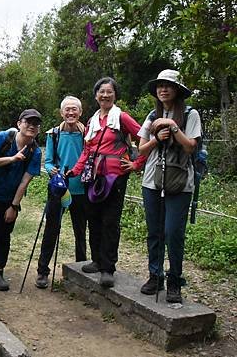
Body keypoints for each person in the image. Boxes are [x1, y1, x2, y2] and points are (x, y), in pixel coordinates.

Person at [68, 77, 144, 287]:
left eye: (109, 92)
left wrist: (137, 164)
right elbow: (87, 150)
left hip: (116, 178)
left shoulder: (122, 118)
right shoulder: (93, 121)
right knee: (94, 218)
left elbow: (144, 138)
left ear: (115, 95)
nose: (105, 95)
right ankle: (97, 260)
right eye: (101, 91)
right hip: (93, 177)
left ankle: (108, 268)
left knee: (110, 221)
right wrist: (75, 171)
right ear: (96, 95)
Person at [137, 70, 201, 303]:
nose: (163, 89)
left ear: (177, 90)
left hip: (180, 182)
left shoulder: (190, 114)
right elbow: (141, 149)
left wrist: (173, 126)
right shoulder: (152, 115)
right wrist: (157, 138)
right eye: (160, 85)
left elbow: (190, 146)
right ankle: (155, 276)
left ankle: (175, 281)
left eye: (168, 86)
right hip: (152, 180)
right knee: (154, 232)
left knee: (173, 233)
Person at [0, 109, 42, 291]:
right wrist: (11, 159)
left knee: (3, 236)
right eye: (28, 122)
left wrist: (14, 206)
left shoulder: (34, 152)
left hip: (8, 199)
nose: (32, 126)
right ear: (19, 123)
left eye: (36, 124)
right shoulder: (4, 138)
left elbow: (24, 182)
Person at [35, 96, 89, 289]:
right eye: (67, 110)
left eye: (74, 109)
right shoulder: (54, 134)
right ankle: (42, 271)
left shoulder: (87, 134)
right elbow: (48, 161)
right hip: (59, 189)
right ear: (61, 113)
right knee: (51, 229)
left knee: (80, 231)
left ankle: (81, 269)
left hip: (82, 189)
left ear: (80, 112)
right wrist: (52, 170)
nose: (71, 113)